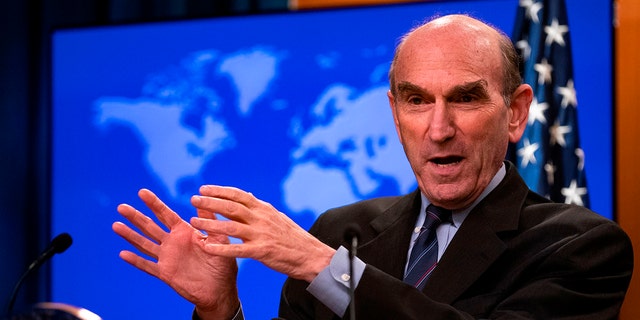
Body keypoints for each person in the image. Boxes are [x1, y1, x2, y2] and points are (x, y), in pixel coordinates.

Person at [112, 14, 633, 319]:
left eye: (465, 99)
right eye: (415, 100)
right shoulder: (342, 229)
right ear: (394, 112)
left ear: (516, 112)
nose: (438, 128)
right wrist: (222, 309)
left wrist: (326, 269)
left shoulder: (581, 247)